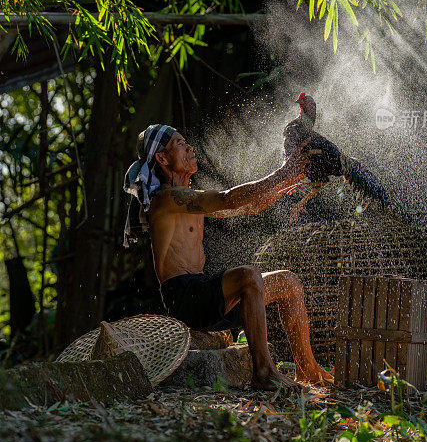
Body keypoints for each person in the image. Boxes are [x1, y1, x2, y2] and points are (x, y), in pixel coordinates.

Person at [124, 123, 334, 391]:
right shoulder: (164, 199)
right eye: (179, 144)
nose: (189, 148)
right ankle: (264, 372)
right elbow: (226, 199)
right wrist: (282, 173)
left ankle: (308, 369)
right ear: (162, 159)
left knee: (289, 283)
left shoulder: (189, 199)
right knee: (248, 276)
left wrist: (291, 180)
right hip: (185, 299)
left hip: (205, 296)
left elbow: (248, 205)